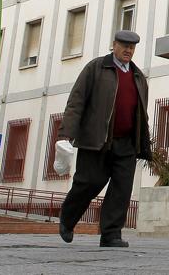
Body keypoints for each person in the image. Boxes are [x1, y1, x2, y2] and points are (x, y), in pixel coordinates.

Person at [58, 30, 151, 247]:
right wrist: (65, 135)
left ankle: (111, 234)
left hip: (127, 142)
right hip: (97, 140)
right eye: (124, 45)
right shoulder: (96, 68)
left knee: (121, 189)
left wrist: (142, 142)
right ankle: (68, 218)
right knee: (89, 182)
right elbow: (76, 102)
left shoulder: (138, 76)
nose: (128, 50)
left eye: (132, 47)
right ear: (114, 45)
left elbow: (140, 113)